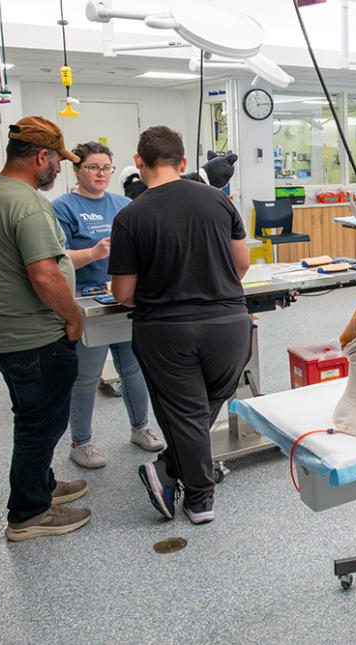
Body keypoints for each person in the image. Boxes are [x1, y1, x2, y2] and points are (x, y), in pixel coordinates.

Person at [109, 126, 251, 525]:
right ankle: (169, 470)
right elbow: (241, 264)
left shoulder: (130, 216)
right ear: (184, 162)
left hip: (167, 330)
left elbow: (123, 293)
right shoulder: (220, 202)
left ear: (138, 162)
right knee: (204, 407)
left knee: (186, 413)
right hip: (230, 325)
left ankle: (196, 497)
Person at [0, 116, 91, 542]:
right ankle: (29, 513)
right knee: (41, 425)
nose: (59, 170)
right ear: (41, 157)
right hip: (34, 336)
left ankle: (43, 485)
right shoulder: (30, 203)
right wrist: (73, 316)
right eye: (58, 162)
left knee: (31, 414)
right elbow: (44, 275)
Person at [52, 141, 165, 469]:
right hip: (86, 302)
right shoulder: (63, 207)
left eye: (106, 168)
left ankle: (140, 427)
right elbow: (57, 258)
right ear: (77, 170)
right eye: (92, 167)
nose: (100, 174)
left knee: (133, 369)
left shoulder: (122, 203)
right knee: (86, 377)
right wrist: (93, 254)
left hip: (123, 296)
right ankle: (81, 443)